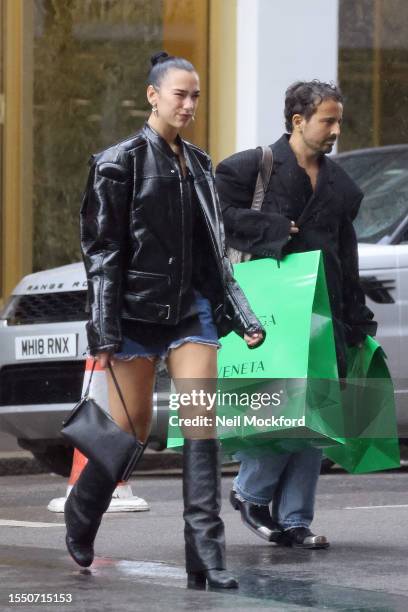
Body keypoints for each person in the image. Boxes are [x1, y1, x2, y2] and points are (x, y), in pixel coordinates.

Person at [64, 51, 265, 589]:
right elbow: (102, 254)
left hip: (191, 313)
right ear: (153, 95)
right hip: (133, 313)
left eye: (196, 95)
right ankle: (82, 513)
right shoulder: (117, 162)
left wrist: (240, 313)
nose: (190, 104)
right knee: (130, 431)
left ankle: (207, 557)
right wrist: (104, 333)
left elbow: (214, 254)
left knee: (201, 423)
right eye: (180, 94)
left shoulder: (199, 162)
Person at [215, 80, 376, 549]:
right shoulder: (250, 167)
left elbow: (347, 257)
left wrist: (357, 320)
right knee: (280, 411)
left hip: (323, 311)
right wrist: (267, 227)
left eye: (339, 120)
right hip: (269, 312)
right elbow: (214, 216)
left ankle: (296, 518)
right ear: (298, 121)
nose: (336, 130)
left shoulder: (340, 185)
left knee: (316, 415)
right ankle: (250, 493)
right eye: (328, 120)